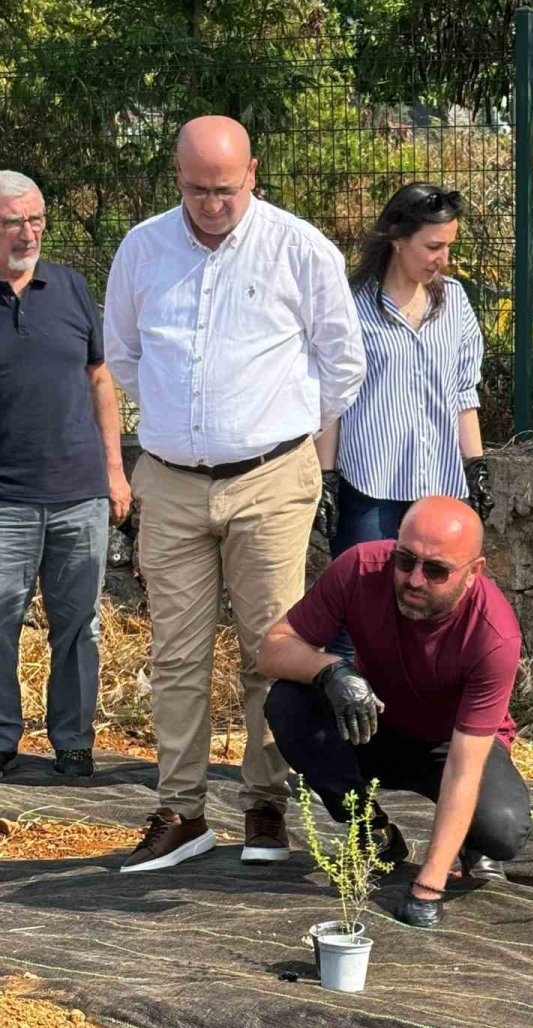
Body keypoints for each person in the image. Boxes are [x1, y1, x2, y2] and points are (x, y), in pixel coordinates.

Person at [103, 116, 366, 873]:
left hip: (271, 478)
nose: (211, 204)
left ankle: (264, 806)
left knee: (270, 648)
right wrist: (183, 426)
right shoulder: (144, 248)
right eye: (195, 189)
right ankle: (183, 812)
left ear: (253, 171)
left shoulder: (299, 248)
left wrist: (280, 433)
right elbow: (123, 351)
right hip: (173, 481)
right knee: (175, 652)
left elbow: (340, 363)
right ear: (175, 177)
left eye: (224, 189)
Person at [259, 495, 532, 928]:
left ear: (473, 572)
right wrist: (331, 670)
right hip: (374, 723)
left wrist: (428, 888)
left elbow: (463, 770)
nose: (415, 579)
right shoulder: (360, 567)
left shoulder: (493, 636)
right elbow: (272, 649)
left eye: (437, 570)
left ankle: (470, 844)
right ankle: (372, 831)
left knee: (502, 830)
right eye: (405, 560)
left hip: (450, 744)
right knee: (287, 703)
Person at [313, 182, 494, 656]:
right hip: (369, 489)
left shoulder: (454, 303)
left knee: (435, 616)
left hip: (438, 487)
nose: (443, 258)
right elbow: (334, 397)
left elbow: (462, 392)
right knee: (360, 613)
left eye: (449, 246)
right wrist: (326, 477)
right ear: (397, 238)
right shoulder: (350, 307)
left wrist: (475, 466)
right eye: (433, 246)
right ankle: (347, 720)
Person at [0, 170, 130, 780]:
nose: (29, 233)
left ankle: (73, 741)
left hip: (80, 493)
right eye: (13, 223)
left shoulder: (73, 288)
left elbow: (99, 378)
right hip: (6, 499)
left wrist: (114, 471)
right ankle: (3, 738)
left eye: (37, 220)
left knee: (79, 626)